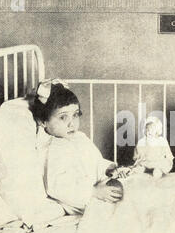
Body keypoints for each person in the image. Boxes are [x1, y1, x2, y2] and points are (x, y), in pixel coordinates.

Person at [29, 78, 130, 215]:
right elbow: (57, 187)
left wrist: (110, 169)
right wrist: (94, 192)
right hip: (84, 201)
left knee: (133, 190)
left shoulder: (79, 137)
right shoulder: (53, 149)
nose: (72, 124)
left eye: (75, 115)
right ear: (42, 121)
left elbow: (96, 161)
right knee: (124, 212)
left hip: (100, 187)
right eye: (63, 117)